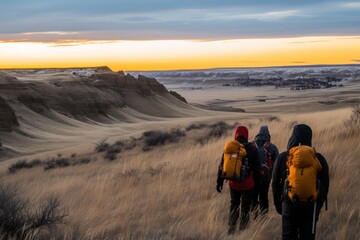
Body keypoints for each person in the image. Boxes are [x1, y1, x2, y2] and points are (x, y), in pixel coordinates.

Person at [272, 124, 329, 240]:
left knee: (288, 237)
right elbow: (325, 185)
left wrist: (279, 206)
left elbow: (275, 184)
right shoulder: (318, 159)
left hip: (288, 204)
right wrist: (318, 205)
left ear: (293, 137)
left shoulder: (283, 158)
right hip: (310, 205)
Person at [216, 125, 261, 234]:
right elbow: (257, 169)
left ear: (236, 134)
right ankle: (243, 231)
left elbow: (221, 166)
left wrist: (219, 182)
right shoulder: (252, 149)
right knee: (245, 207)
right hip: (247, 184)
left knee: (234, 204)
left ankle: (231, 229)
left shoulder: (230, 148)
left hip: (233, 183)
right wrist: (257, 185)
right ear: (246, 134)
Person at [251, 125, 279, 216]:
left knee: (254, 195)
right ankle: (263, 217)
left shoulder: (251, 145)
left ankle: (254, 215)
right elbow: (277, 163)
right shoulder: (272, 147)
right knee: (264, 196)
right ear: (268, 134)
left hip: (253, 176)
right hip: (266, 177)